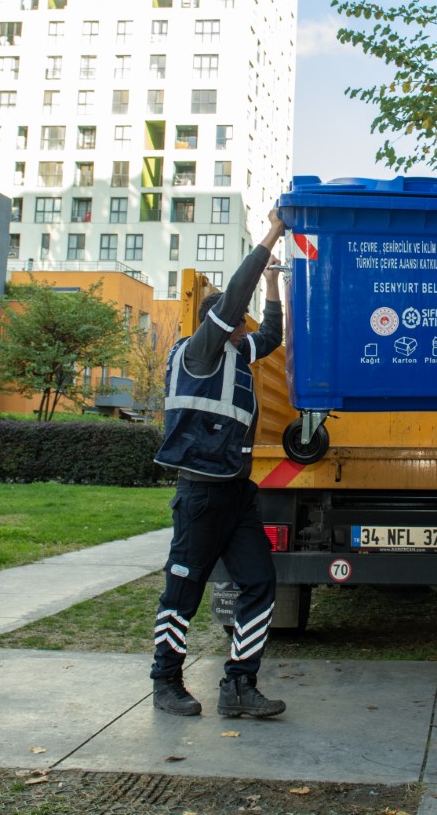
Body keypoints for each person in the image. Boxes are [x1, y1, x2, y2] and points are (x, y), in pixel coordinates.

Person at [150, 209, 288, 720]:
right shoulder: (201, 352)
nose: (243, 332)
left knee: (259, 582)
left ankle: (239, 686)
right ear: (222, 326)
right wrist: (271, 237)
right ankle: (165, 681)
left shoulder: (236, 353)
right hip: (201, 493)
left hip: (237, 493)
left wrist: (274, 285)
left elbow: (270, 336)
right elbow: (234, 299)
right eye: (237, 326)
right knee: (182, 589)